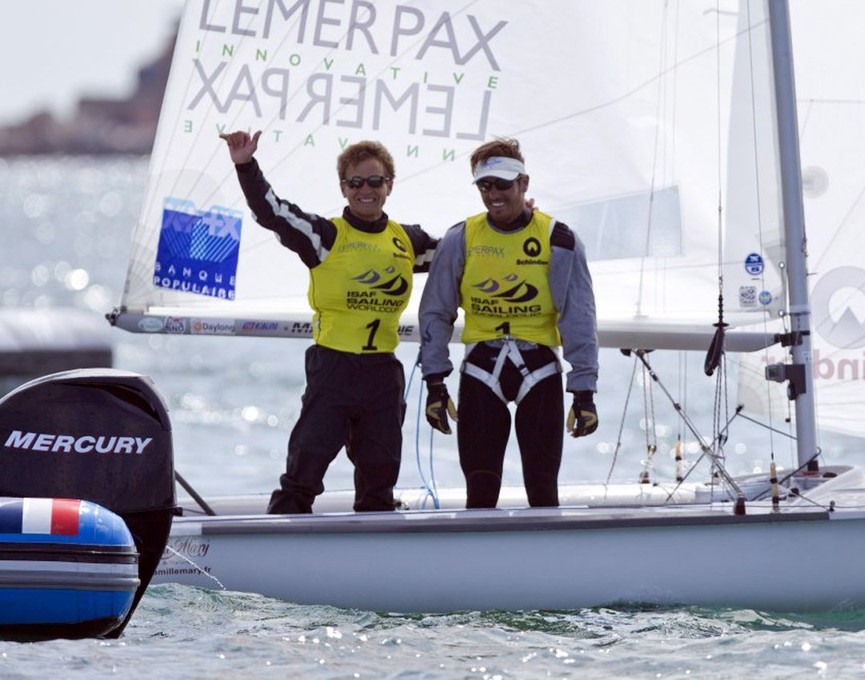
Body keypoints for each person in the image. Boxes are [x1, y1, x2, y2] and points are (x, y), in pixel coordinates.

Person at [219, 130, 437, 513]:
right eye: (356, 182)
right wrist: (245, 164)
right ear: (343, 187)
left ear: (389, 185)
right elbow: (271, 211)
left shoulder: (408, 241)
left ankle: (372, 559)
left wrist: (520, 216)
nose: (365, 190)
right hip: (333, 371)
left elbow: (465, 254)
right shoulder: (325, 236)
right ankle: (278, 549)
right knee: (303, 474)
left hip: (383, 376)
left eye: (375, 181)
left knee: (379, 482)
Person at [418, 137, 599, 508]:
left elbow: (579, 316)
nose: (493, 194)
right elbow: (436, 311)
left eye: (502, 184)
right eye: (485, 185)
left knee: (543, 489)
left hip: (540, 370)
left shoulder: (559, 239)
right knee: (481, 492)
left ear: (524, 183)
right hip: (482, 370)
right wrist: (435, 382)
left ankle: (546, 564)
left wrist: (584, 391)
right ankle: (478, 564)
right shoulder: (461, 238)